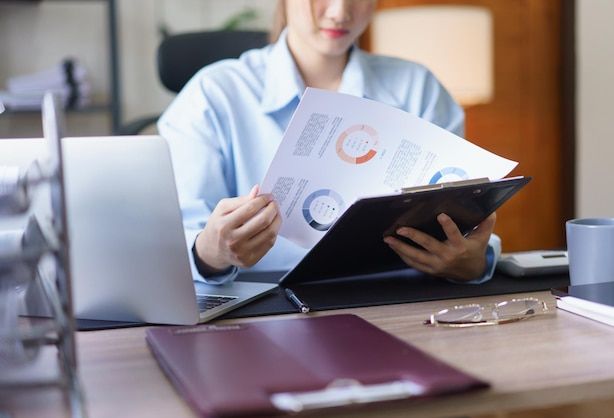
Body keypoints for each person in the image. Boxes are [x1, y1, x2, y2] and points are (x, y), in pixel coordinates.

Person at [157, 0, 500, 285]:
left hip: (395, 300)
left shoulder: (417, 88)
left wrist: (471, 263)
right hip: (264, 307)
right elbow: (177, 246)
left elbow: (461, 228)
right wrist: (212, 253)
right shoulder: (212, 95)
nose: (340, 12)